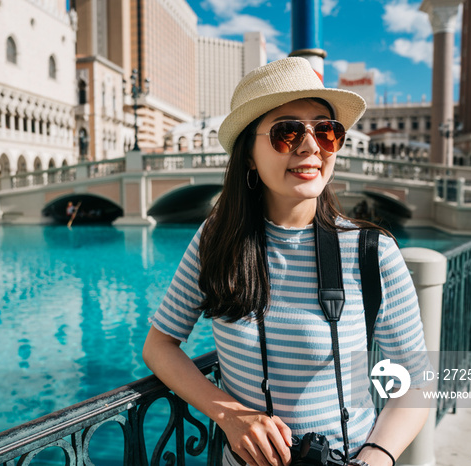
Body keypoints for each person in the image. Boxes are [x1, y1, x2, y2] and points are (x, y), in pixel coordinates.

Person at [143, 58, 431, 466]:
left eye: (326, 131)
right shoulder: (215, 241)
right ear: (249, 154)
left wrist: (374, 460)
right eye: (287, 131)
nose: (311, 146)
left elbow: (414, 383)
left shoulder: (373, 252)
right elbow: (160, 345)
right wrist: (231, 415)